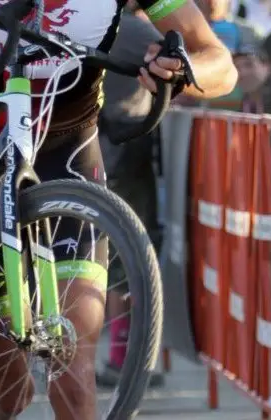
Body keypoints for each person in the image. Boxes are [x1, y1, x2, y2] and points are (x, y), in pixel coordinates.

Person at [0, 0, 236, 417]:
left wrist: (183, 70)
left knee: (73, 377)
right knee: (8, 391)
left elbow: (220, 63)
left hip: (68, 155)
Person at [96, 1, 165, 389]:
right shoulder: (134, 30)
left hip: (97, 151)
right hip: (124, 151)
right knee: (130, 259)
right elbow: (184, 72)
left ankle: (118, 357)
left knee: (108, 260)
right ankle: (124, 358)